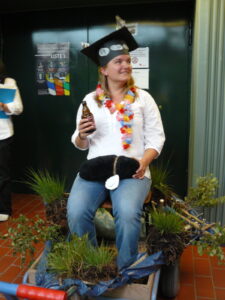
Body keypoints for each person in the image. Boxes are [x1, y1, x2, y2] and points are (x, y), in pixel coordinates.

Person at [67, 26, 165, 271]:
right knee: (77, 211)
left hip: (133, 171)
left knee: (128, 213)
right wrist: (81, 134)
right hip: (95, 170)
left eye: (128, 60)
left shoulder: (143, 99)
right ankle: (91, 264)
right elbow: (80, 144)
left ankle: (126, 269)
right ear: (104, 70)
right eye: (119, 61)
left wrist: (143, 162)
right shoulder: (90, 101)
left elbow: (156, 139)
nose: (126, 65)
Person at [0, 60, 23, 221]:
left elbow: (18, 108)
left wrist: (3, 105)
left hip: (3, 134)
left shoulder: (9, 82)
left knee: (2, 175)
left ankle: (4, 209)